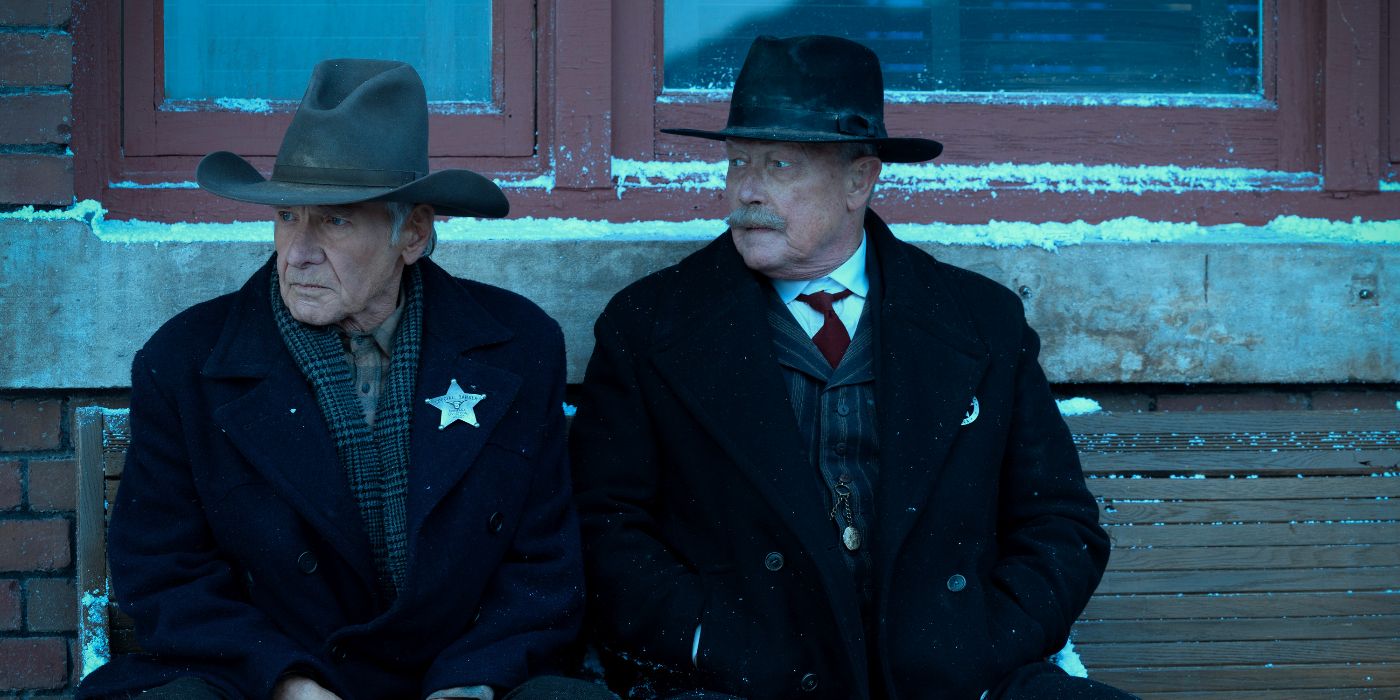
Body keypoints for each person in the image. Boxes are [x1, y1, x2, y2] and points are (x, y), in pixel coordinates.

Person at [570, 36, 1135, 700]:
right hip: (740, 683)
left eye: (778, 165)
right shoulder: (651, 325)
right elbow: (603, 526)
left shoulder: (980, 323)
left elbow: (1059, 525)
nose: (745, 190)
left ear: (858, 181)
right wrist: (708, 639)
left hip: (959, 684)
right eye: (737, 162)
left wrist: (983, 646)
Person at [78, 59, 613, 700]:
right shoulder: (187, 363)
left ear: (412, 233)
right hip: (265, 681)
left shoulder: (516, 348)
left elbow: (543, 567)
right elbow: (165, 574)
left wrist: (473, 681)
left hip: (455, 678)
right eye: (286, 218)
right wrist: (287, 682)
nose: (297, 253)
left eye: (333, 220)